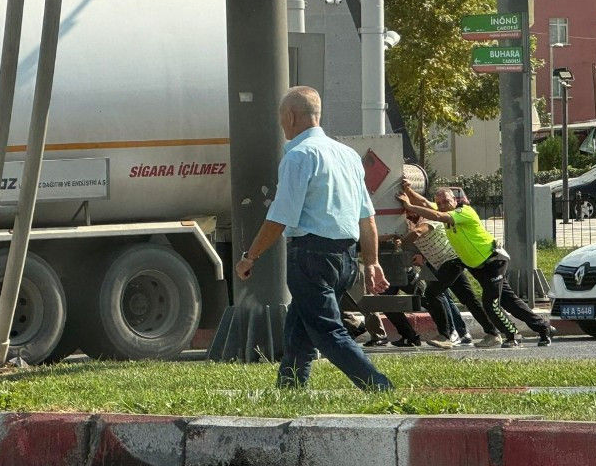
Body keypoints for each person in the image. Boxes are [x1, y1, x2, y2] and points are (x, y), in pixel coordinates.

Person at [234, 86, 393, 392]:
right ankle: (290, 389)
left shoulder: (298, 156)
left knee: (326, 332)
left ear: (291, 116)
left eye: (282, 117)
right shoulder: (347, 154)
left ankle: (379, 387)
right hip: (345, 258)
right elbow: (367, 217)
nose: (282, 124)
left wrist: (249, 257)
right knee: (299, 329)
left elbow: (279, 218)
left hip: (310, 256)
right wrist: (372, 262)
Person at [399, 186, 553, 348]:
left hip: (493, 261)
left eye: (446, 201)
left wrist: (409, 206)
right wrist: (408, 190)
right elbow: (424, 202)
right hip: (475, 265)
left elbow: (437, 215)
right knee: (509, 301)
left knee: (490, 303)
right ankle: (544, 328)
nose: (443, 204)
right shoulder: (445, 210)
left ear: (455, 200)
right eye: (439, 202)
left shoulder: (463, 212)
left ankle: (511, 335)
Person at [396, 185, 501, 348]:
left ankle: (446, 335)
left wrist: (401, 244)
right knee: (469, 299)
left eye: (410, 211)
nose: (408, 214)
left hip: (451, 260)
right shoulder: (421, 216)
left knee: (431, 293)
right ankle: (493, 333)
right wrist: (409, 191)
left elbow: (418, 231)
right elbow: (423, 201)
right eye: (406, 212)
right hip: (449, 262)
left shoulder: (430, 217)